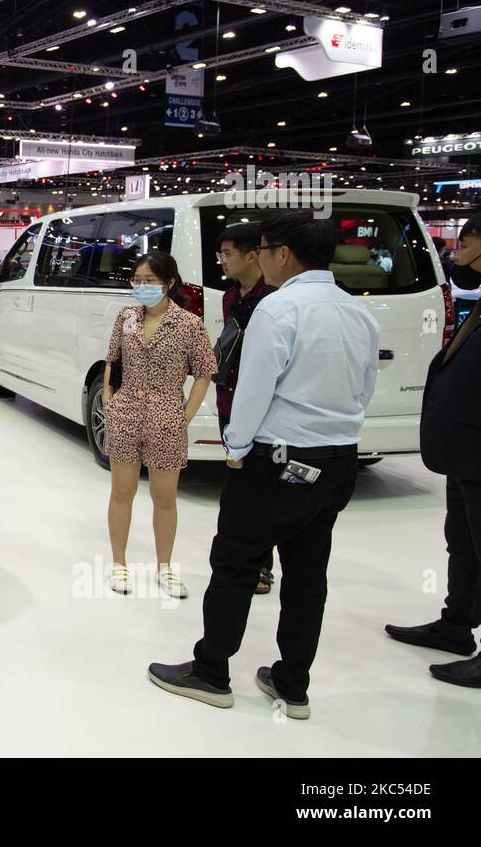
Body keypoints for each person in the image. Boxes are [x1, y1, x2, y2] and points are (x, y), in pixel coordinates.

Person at [148, 212, 380, 719]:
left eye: (266, 249)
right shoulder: (359, 311)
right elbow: (365, 385)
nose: (262, 258)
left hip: (275, 458)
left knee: (234, 564)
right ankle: (293, 684)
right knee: (307, 573)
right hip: (337, 459)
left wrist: (235, 446)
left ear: (284, 255)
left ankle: (211, 672)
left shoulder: (278, 309)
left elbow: (255, 389)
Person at [386, 214, 481, 687]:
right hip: (463, 455)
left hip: (475, 452)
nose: (457, 249)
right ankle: (456, 624)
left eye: (466, 240)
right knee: (462, 543)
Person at [102, 250, 216, 598]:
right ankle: (119, 563)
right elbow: (112, 360)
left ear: (169, 283)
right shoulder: (126, 318)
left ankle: (164, 567)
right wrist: (109, 399)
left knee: (164, 497)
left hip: (167, 416)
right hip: (125, 413)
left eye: (150, 281)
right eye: (137, 281)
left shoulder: (189, 324)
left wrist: (186, 414)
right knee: (122, 491)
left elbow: (204, 372)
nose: (142, 287)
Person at [213, 223, 277, 594]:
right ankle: (242, 559)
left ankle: (262, 565)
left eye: (228, 254)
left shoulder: (275, 298)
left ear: (252, 255)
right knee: (237, 486)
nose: (222, 261)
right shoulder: (229, 297)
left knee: (263, 490)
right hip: (230, 402)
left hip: (264, 406)